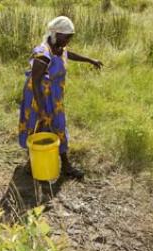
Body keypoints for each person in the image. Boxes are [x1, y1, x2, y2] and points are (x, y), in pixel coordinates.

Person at [18, 16, 103, 179]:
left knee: (58, 126)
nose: (69, 40)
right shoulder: (42, 54)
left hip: (54, 96)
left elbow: (67, 54)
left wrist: (90, 60)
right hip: (38, 96)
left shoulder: (59, 47)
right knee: (37, 127)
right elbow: (35, 82)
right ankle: (34, 163)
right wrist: (42, 109)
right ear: (56, 33)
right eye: (67, 36)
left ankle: (64, 166)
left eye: (71, 36)